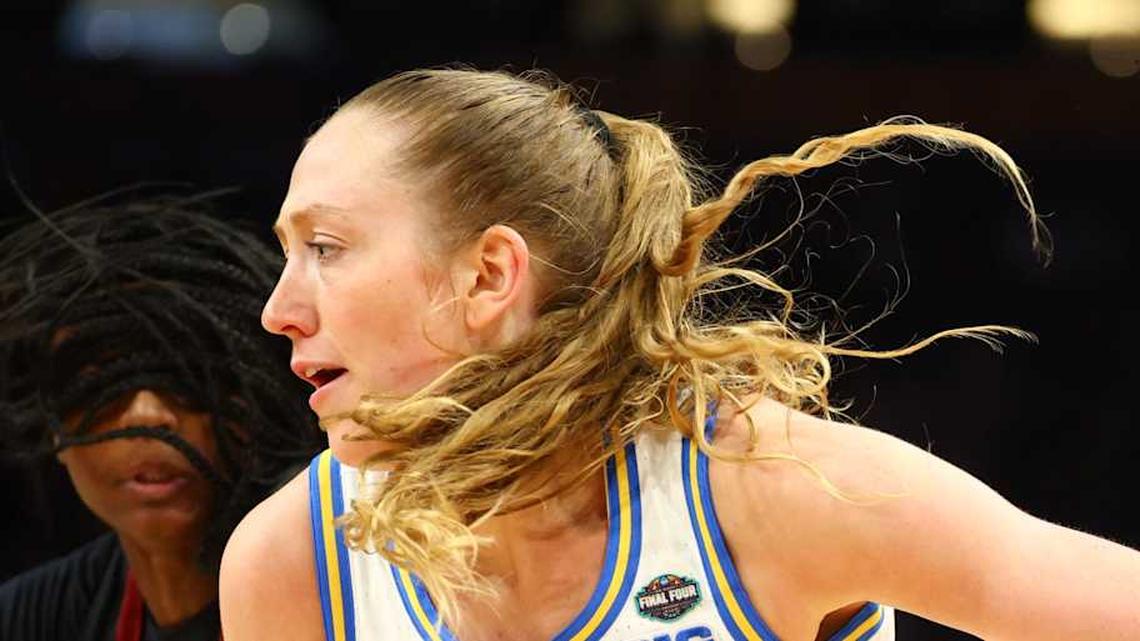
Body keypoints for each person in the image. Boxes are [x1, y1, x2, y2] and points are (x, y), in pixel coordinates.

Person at [220, 68, 1140, 641]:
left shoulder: (768, 489)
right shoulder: (294, 559)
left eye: (327, 248)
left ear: (489, 274)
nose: (278, 309)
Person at [0, 192, 324, 641]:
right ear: (55, 425)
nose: (150, 415)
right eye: (103, 385)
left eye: (187, 379)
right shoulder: (36, 616)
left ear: (249, 406)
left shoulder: (344, 581)